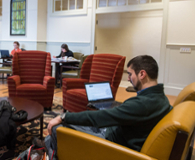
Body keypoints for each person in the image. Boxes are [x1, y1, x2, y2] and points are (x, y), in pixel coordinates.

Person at [42, 55, 172, 159]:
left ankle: (49, 152)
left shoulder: (142, 104)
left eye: (130, 74)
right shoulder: (161, 98)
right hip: (114, 129)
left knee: (57, 128)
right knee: (59, 131)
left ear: (142, 74)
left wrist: (64, 116)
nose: (128, 78)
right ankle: (47, 148)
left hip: (110, 143)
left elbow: (100, 117)